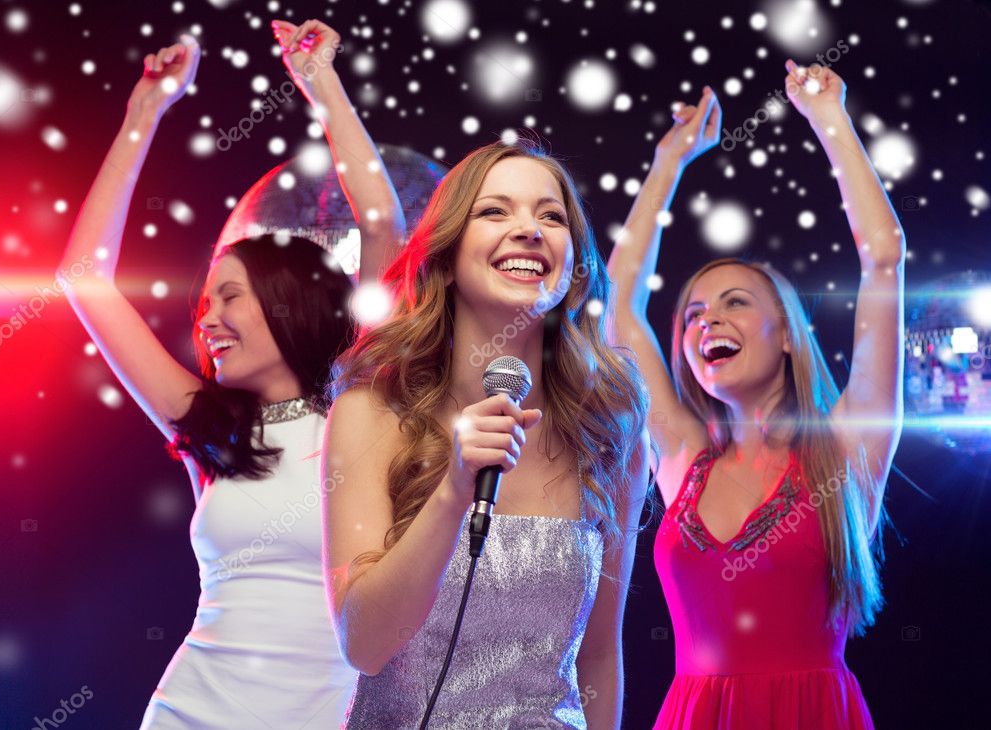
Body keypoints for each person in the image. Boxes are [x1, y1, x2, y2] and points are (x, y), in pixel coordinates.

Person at [57, 19, 405, 728]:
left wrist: (321, 85)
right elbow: (82, 277)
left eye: (231, 295)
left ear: (288, 302)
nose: (207, 320)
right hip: (190, 712)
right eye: (203, 302)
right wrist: (144, 111)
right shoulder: (213, 429)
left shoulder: (363, 403)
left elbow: (381, 225)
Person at [608, 64, 903, 729]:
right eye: (692, 314)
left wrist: (829, 119)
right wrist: (667, 163)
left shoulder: (844, 450)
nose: (705, 321)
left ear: (789, 336)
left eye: (734, 304)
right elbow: (621, 307)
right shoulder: (683, 458)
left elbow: (882, 259)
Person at [322, 139, 652, 728]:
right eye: (495, 211)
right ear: (445, 259)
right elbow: (364, 646)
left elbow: (600, 655)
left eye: (551, 216)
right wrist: (454, 491)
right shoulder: (370, 411)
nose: (529, 229)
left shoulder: (612, 420)